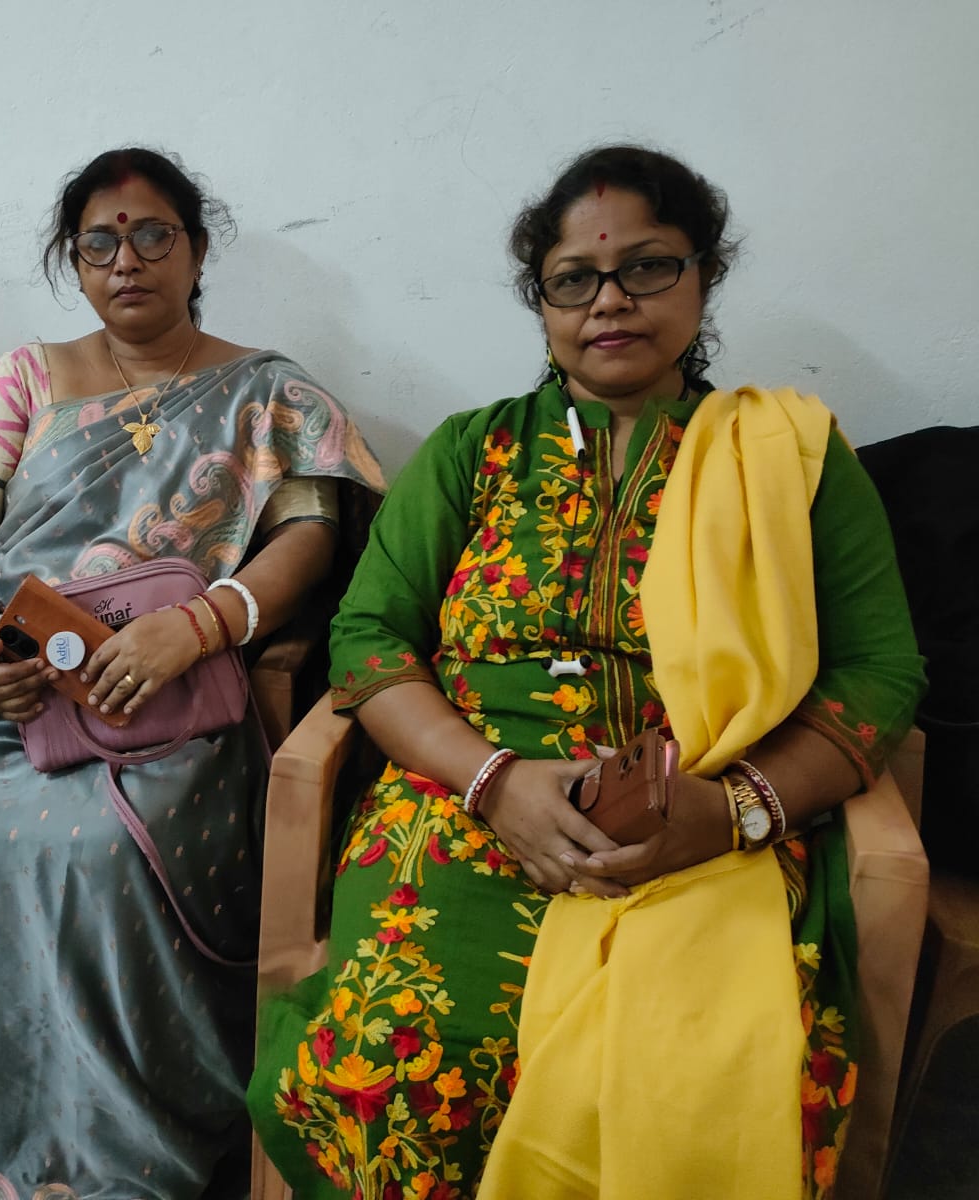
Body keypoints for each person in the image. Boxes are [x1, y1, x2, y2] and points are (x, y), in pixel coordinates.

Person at [248, 145, 925, 1199]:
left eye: (646, 266)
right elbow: (369, 639)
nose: (609, 300)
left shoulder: (787, 455)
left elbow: (878, 670)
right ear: (542, 302)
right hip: (466, 807)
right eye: (574, 279)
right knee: (407, 1054)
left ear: (704, 276)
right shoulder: (472, 451)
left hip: (706, 821)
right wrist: (495, 783)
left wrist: (733, 813)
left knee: (707, 1073)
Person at [0, 148, 384, 1198]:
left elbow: (309, 538)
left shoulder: (270, 391)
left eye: (152, 235)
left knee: (92, 852)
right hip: (2, 684)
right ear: (74, 265)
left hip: (164, 697)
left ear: (196, 252)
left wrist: (198, 626)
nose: (126, 260)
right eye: (98, 244)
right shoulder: (27, 377)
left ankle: (92, 1138)